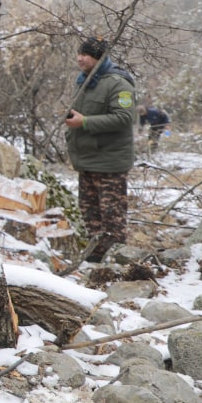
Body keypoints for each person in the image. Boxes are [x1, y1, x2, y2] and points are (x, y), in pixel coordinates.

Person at [64, 36, 137, 263]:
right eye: (79, 53)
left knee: (112, 219)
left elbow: (124, 118)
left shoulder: (118, 83)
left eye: (86, 54)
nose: (80, 58)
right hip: (87, 161)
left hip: (110, 163)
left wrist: (84, 122)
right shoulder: (83, 81)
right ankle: (94, 261)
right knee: (90, 216)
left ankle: (116, 263)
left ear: (99, 57)